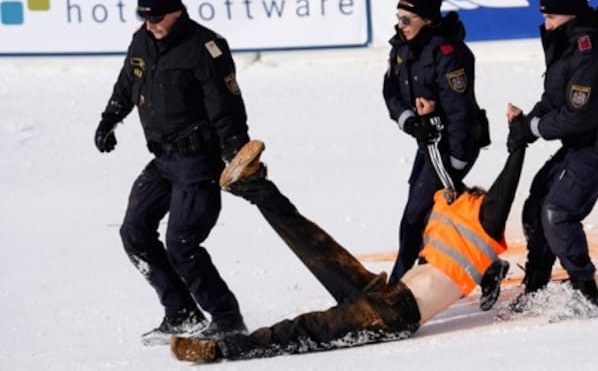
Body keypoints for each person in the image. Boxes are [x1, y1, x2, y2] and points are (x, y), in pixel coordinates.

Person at [169, 107, 527, 363]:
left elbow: (503, 192)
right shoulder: (453, 208)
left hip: (394, 316)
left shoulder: (485, 224)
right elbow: (443, 171)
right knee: (313, 242)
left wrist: (517, 145)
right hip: (384, 291)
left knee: (307, 331)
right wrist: (434, 122)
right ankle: (253, 185)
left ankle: (221, 350)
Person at [93, 0, 251, 344]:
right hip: (162, 160)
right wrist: (109, 119)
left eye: (158, 17)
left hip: (198, 162)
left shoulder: (204, 48)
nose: (151, 24)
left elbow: (227, 110)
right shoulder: (142, 40)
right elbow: (127, 83)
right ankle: (181, 313)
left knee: (182, 243)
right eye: (144, 17)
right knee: (134, 233)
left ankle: (227, 317)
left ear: (177, 10)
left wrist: (238, 156)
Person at [506, 0, 598, 311]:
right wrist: (526, 123)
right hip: (581, 143)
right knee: (537, 201)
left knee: (558, 212)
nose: (546, 25)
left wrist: (535, 127)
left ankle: (586, 293)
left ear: (570, 16)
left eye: (551, 17)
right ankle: (537, 285)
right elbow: (554, 99)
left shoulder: (593, 53)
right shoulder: (567, 47)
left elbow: (579, 116)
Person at [382, 0, 490, 285]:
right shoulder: (401, 46)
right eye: (399, 18)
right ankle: (488, 270)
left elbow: (459, 112)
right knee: (428, 213)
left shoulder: (449, 53)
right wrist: (410, 121)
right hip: (427, 142)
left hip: (456, 143)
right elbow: (390, 91)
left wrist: (455, 162)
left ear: (428, 20)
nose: (400, 25)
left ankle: (396, 286)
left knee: (415, 216)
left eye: (407, 20)